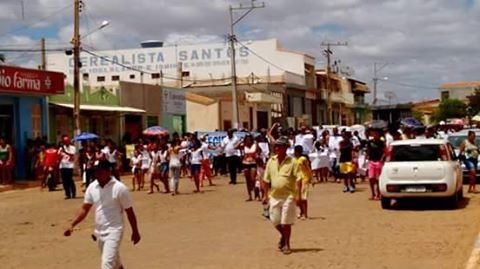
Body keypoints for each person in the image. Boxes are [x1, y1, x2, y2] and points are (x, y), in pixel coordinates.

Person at [64, 160, 141, 269]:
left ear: (109, 172)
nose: (97, 175)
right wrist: (72, 225)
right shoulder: (92, 187)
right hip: (99, 231)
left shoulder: (119, 188)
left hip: (114, 230)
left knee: (106, 264)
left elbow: (130, 212)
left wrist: (135, 231)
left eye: (100, 172)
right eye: (96, 172)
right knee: (115, 263)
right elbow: (85, 209)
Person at [263, 136, 302, 255]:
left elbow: (299, 179)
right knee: (275, 221)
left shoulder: (293, 162)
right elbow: (266, 179)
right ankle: (283, 236)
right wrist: (265, 195)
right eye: (276, 146)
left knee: (286, 222)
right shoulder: (271, 161)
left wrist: (298, 195)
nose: (277, 148)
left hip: (288, 196)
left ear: (285, 148)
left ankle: (287, 244)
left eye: (279, 146)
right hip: (274, 196)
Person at [365, 129, 385, 200]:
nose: (375, 135)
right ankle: (373, 193)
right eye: (374, 134)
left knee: (378, 179)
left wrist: (382, 158)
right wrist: (366, 158)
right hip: (371, 161)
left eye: (377, 134)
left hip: (378, 162)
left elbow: (384, 151)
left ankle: (378, 194)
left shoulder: (381, 142)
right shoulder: (369, 142)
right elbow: (368, 151)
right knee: (371, 178)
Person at [240, 134, 261, 201]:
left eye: (249, 139)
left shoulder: (255, 145)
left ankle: (256, 194)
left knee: (253, 179)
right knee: (247, 180)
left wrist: (257, 155)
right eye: (247, 139)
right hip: (245, 163)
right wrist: (241, 142)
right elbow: (236, 147)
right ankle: (250, 195)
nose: (248, 140)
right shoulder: (244, 146)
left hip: (253, 163)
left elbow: (259, 151)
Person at [294, 145, 312, 220]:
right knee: (297, 198)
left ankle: (305, 214)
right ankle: (301, 212)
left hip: (304, 178)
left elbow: (308, 168)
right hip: (297, 179)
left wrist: (312, 178)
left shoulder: (303, 159)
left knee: (303, 198)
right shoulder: (294, 159)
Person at [59, 135, 76, 199]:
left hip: (70, 166)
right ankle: (67, 194)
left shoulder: (72, 147)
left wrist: (65, 151)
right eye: (65, 141)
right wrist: (60, 156)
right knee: (64, 181)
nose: (66, 142)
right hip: (62, 166)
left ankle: (73, 193)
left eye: (67, 141)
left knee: (70, 180)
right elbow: (59, 156)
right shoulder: (61, 148)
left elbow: (72, 155)